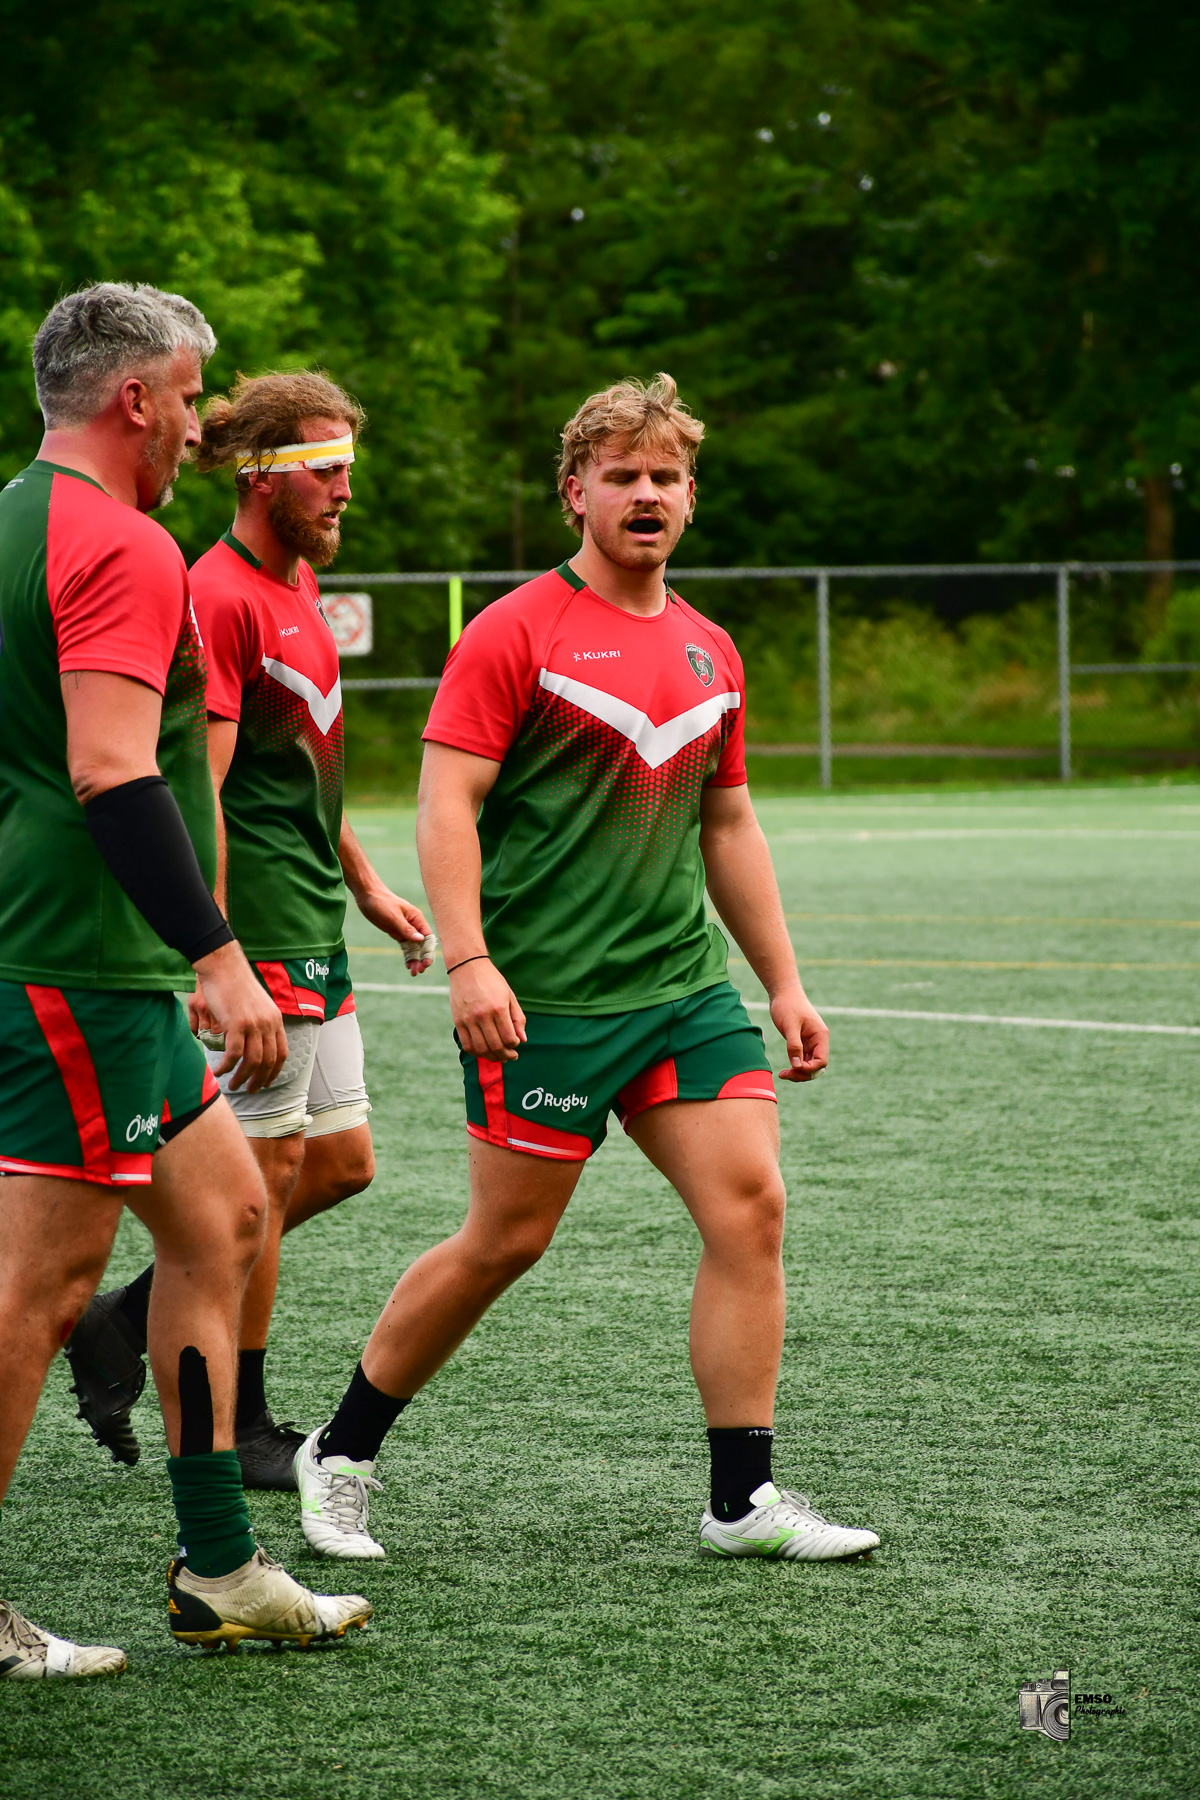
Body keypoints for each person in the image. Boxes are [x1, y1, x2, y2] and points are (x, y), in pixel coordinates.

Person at [293, 374, 880, 1564]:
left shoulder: (714, 650)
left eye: (667, 477)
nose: (648, 494)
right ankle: (341, 1452)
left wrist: (781, 980)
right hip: (541, 1002)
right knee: (504, 1243)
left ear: (692, 498)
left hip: (681, 992)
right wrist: (468, 961)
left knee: (751, 1209)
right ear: (577, 494)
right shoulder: (516, 632)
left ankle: (742, 1500)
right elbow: (444, 803)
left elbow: (729, 827)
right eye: (623, 475)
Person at [0, 283, 371, 1678]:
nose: (203, 423)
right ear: (134, 399)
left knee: (219, 1222)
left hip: (89, 956)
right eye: (195, 395)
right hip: (83, 960)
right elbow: (112, 767)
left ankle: (219, 1565)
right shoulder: (127, 541)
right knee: (40, 1290)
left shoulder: (13, 517)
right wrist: (219, 955)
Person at [64, 373, 434, 1490]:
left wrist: (364, 881)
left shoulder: (305, 585)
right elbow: (201, 787)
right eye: (324, 470)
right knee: (258, 1186)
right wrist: (213, 950)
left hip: (318, 919)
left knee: (342, 1165)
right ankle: (242, 1424)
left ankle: (121, 1320)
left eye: (348, 470)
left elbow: (303, 765)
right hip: (260, 931)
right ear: (263, 477)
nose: (343, 492)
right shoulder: (212, 594)